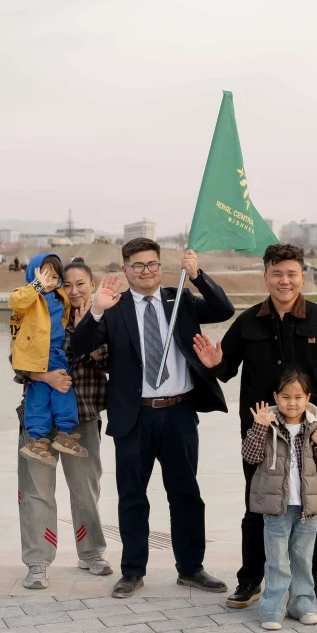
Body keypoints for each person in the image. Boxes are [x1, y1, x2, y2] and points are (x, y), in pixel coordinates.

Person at [71, 239, 235, 598]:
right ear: (125, 269)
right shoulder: (115, 308)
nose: (146, 271)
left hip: (179, 413)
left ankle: (191, 568)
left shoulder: (180, 300)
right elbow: (80, 346)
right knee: (132, 497)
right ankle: (132, 571)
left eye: (152, 264)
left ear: (161, 266)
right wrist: (95, 309)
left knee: (186, 494)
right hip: (134, 417)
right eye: (138, 265)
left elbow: (223, 309)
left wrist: (198, 276)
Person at [192, 243, 317, 612]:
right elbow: (227, 368)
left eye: (292, 273)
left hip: (310, 433)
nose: (284, 280)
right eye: (277, 273)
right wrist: (214, 364)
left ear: (302, 277)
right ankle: (250, 579)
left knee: (311, 506)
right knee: (258, 504)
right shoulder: (249, 321)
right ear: (265, 276)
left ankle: (315, 583)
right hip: (262, 434)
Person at [14, 261, 112, 590]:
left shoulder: (107, 319)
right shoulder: (40, 310)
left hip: (83, 417)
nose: (73, 291)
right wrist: (44, 377)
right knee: (36, 491)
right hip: (38, 421)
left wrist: (91, 334)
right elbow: (16, 359)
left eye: (80, 284)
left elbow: (116, 363)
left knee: (85, 489)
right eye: (66, 285)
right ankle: (37, 562)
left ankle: (92, 552)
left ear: (92, 285)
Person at [241, 370, 317, 631]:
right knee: (277, 561)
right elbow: (251, 456)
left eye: (297, 397)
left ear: (308, 398)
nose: (291, 402)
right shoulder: (267, 424)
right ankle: (273, 608)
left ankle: (303, 603)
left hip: (307, 508)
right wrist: (259, 427)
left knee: (303, 559)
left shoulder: (314, 427)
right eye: (285, 397)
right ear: (276, 397)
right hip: (276, 508)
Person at [10, 253, 87, 465]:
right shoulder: (28, 296)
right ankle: (52, 434)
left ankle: (42, 439)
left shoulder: (60, 297)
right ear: (32, 275)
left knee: (50, 389)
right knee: (58, 387)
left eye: (54, 277)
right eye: (44, 276)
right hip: (37, 352)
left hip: (54, 351)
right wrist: (36, 285)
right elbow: (16, 301)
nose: (49, 282)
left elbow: (74, 300)